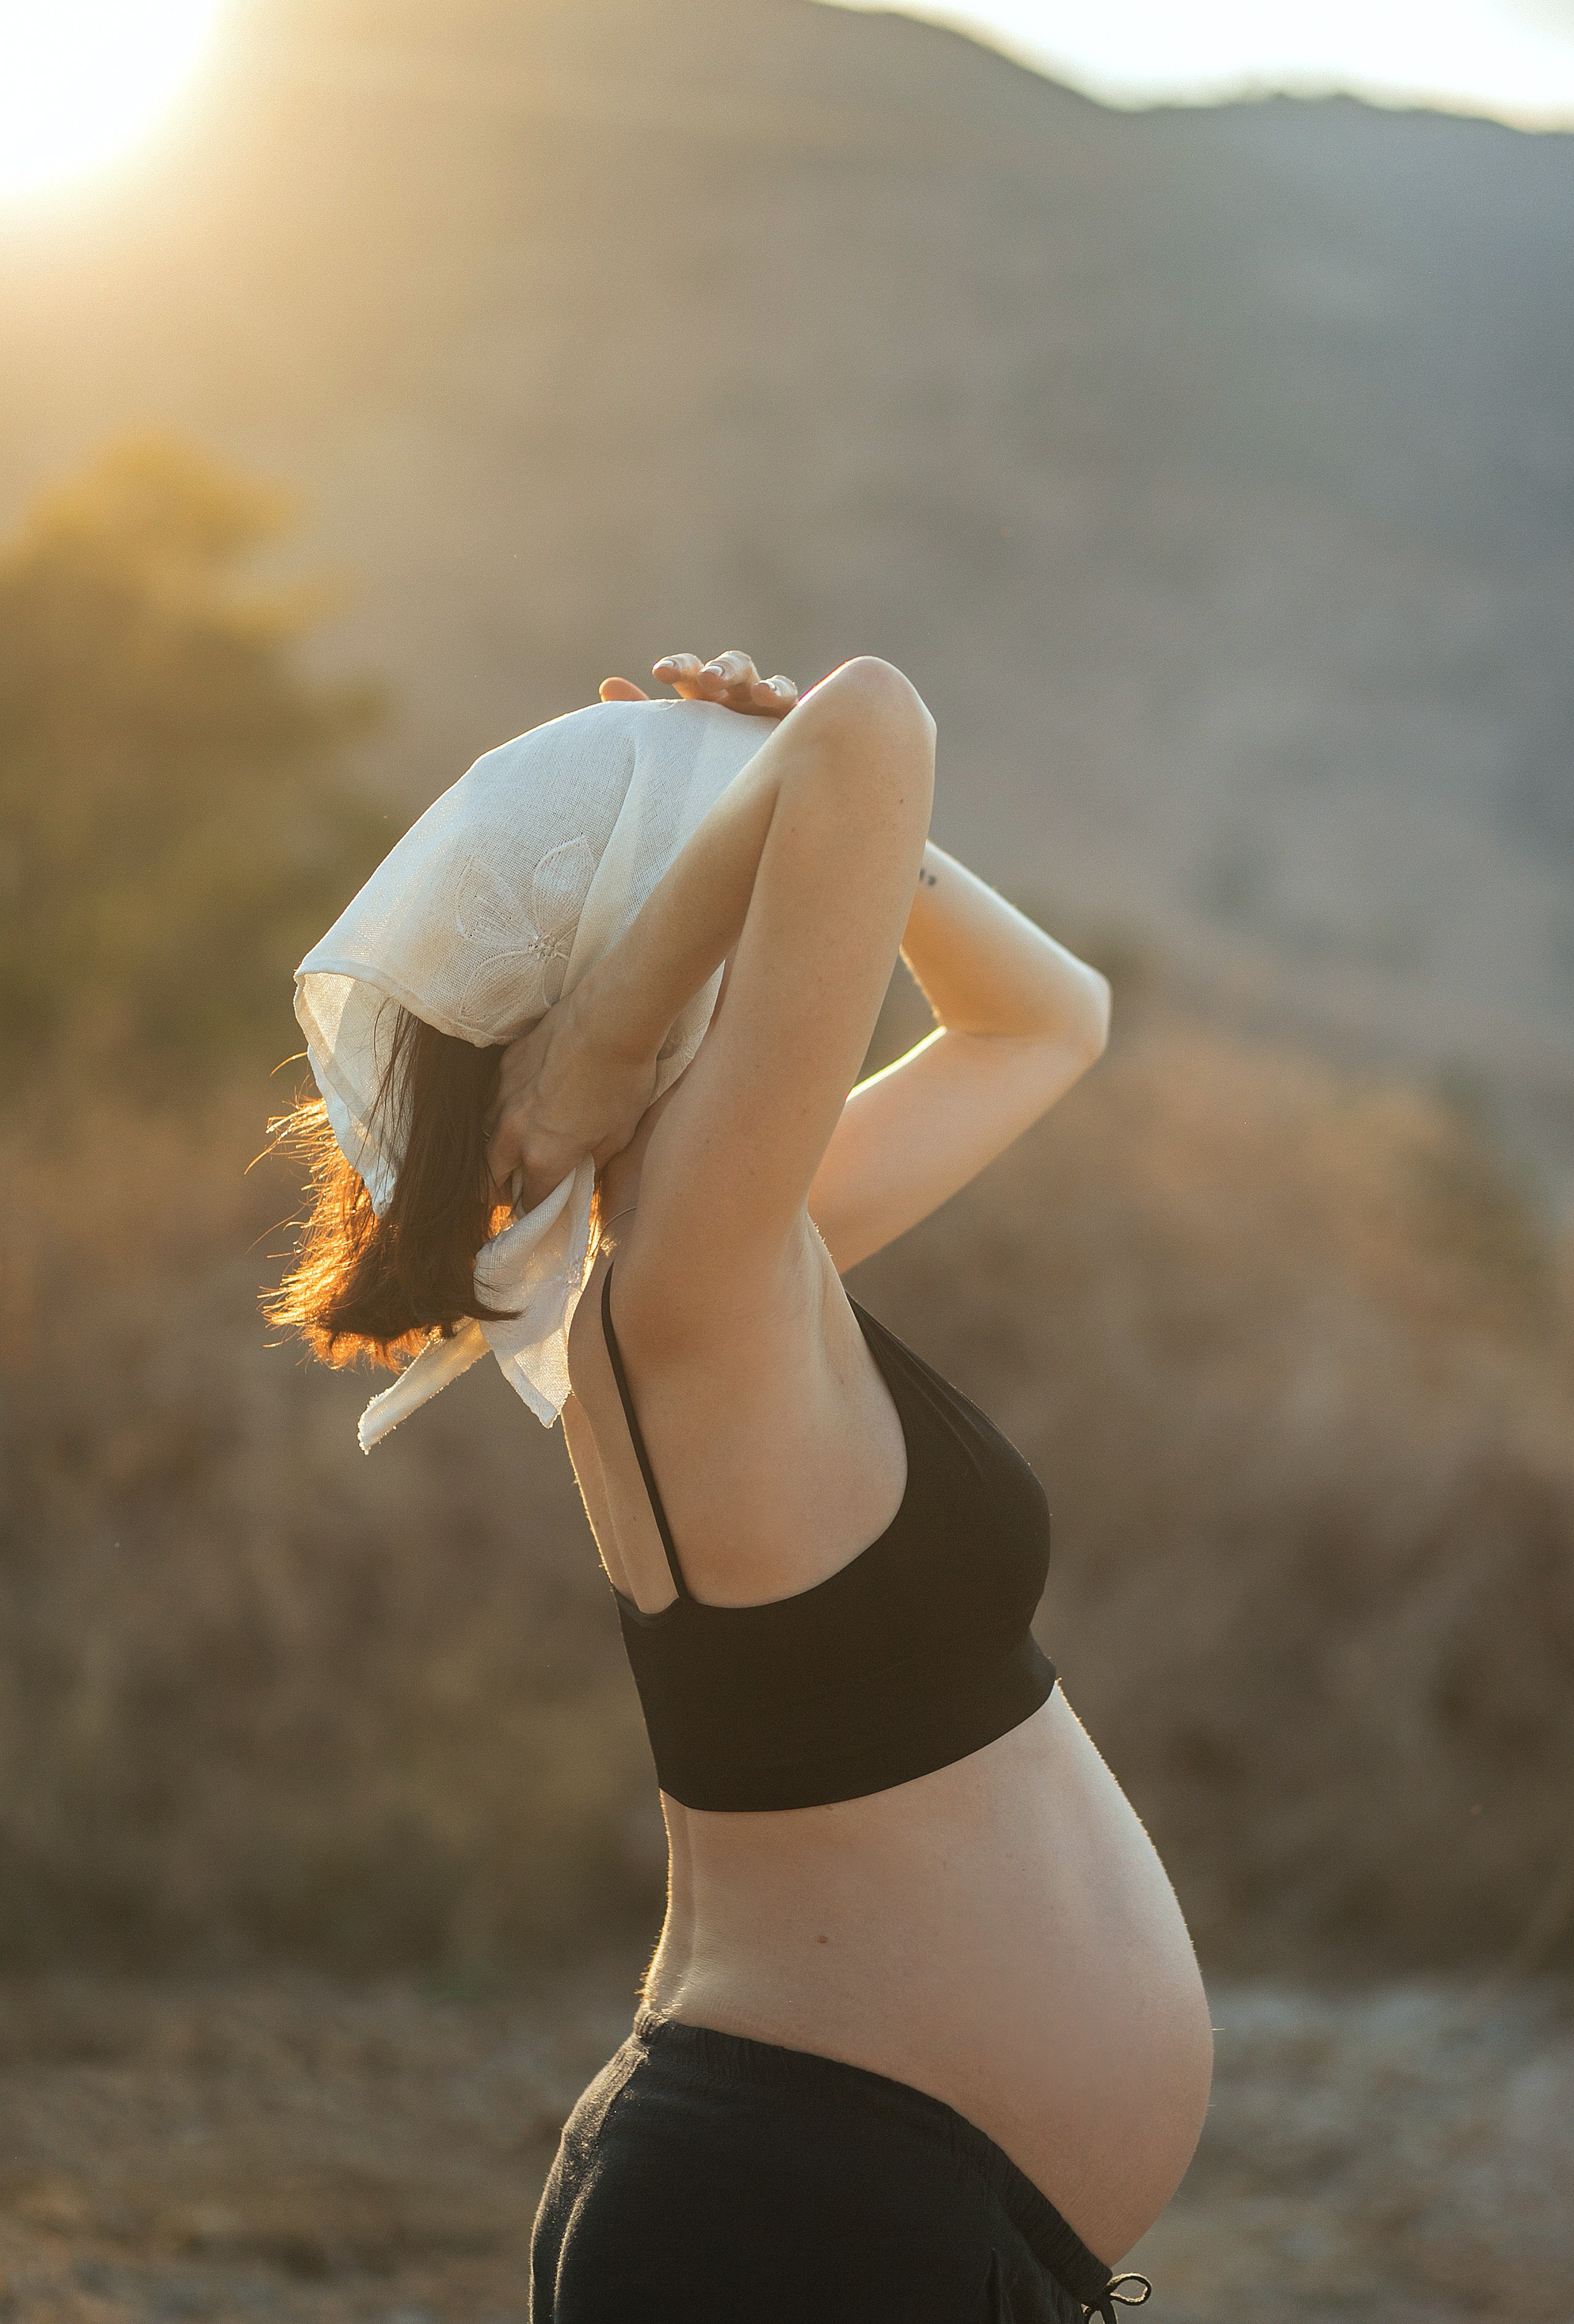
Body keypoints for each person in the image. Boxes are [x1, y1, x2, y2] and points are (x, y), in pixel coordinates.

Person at [271, 651, 1212, 2323]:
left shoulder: (713, 1269)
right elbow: (880, 724)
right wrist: (617, 1034)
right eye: (721, 866)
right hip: (800, 2218)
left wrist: (782, 786)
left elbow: (1050, 1021)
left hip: (811, 2207)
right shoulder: (681, 1279)